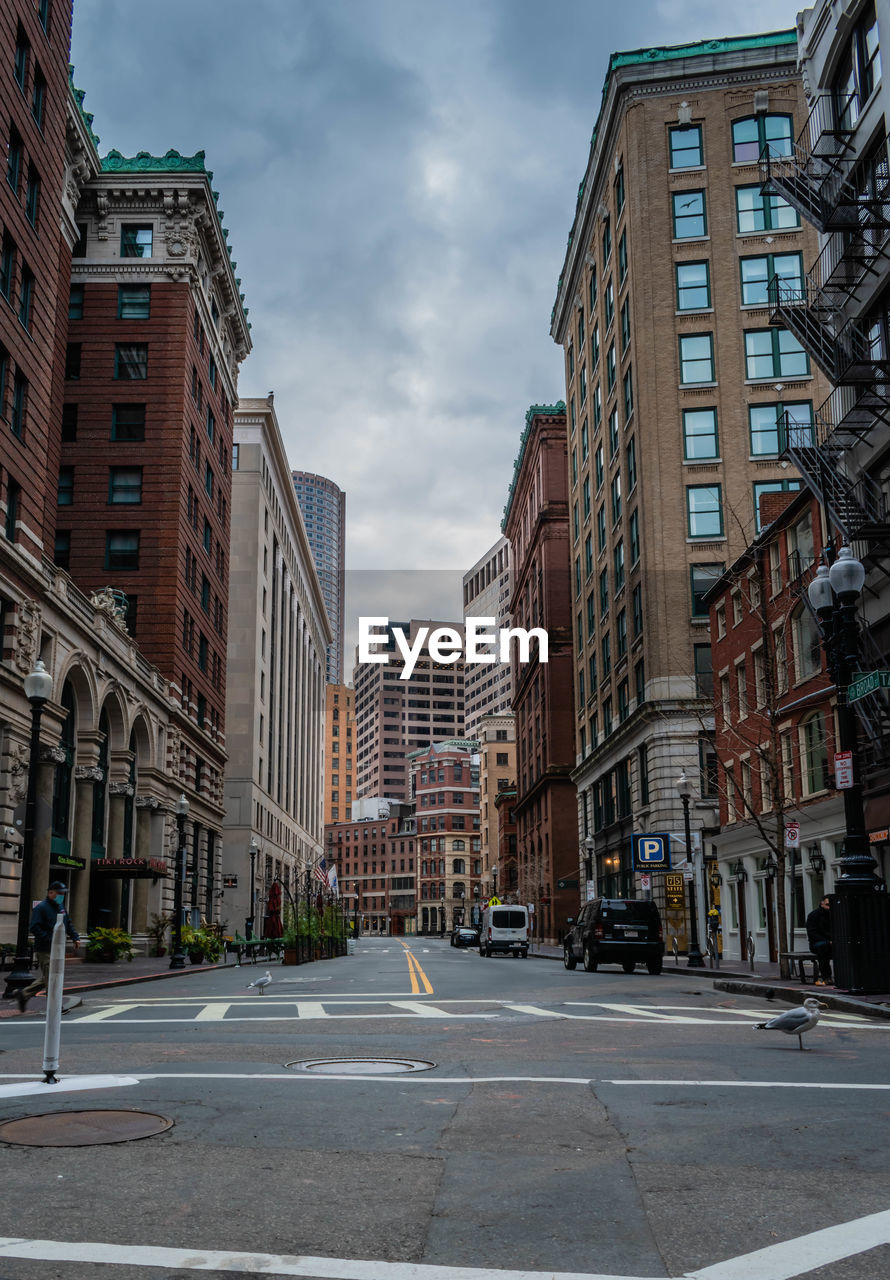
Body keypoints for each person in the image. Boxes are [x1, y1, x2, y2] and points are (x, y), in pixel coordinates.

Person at [17, 881, 80, 1011]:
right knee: (52, 977)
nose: (61, 895)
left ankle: (23, 994)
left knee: (51, 976)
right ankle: (56, 1006)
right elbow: (34, 927)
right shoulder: (41, 908)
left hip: (57, 948)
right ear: (50, 892)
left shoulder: (60, 906)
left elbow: (67, 922)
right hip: (45, 949)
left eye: (63, 893)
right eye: (59, 893)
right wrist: (50, 939)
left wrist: (75, 937)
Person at [806, 894, 832, 985]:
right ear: (822, 904)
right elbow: (812, 933)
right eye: (827, 905)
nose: (829, 907)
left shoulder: (835, 914)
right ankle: (826, 977)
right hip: (817, 943)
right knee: (823, 948)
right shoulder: (813, 915)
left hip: (831, 942)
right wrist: (828, 941)